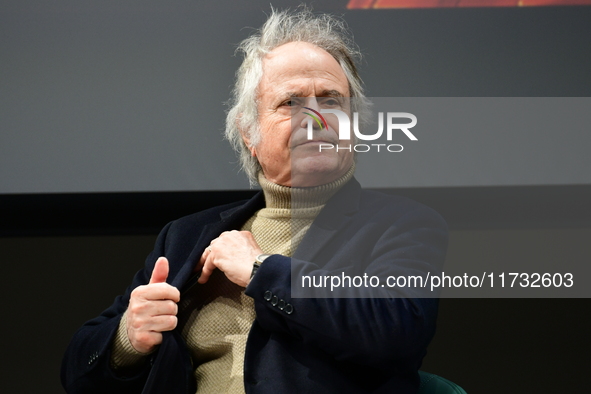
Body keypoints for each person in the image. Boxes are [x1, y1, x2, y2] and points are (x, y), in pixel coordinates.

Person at [61, 8, 448, 394]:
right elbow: (77, 373)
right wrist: (127, 340)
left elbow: (396, 332)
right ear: (249, 132)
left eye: (331, 100)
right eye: (290, 103)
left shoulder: (403, 224)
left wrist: (262, 269)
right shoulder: (185, 237)